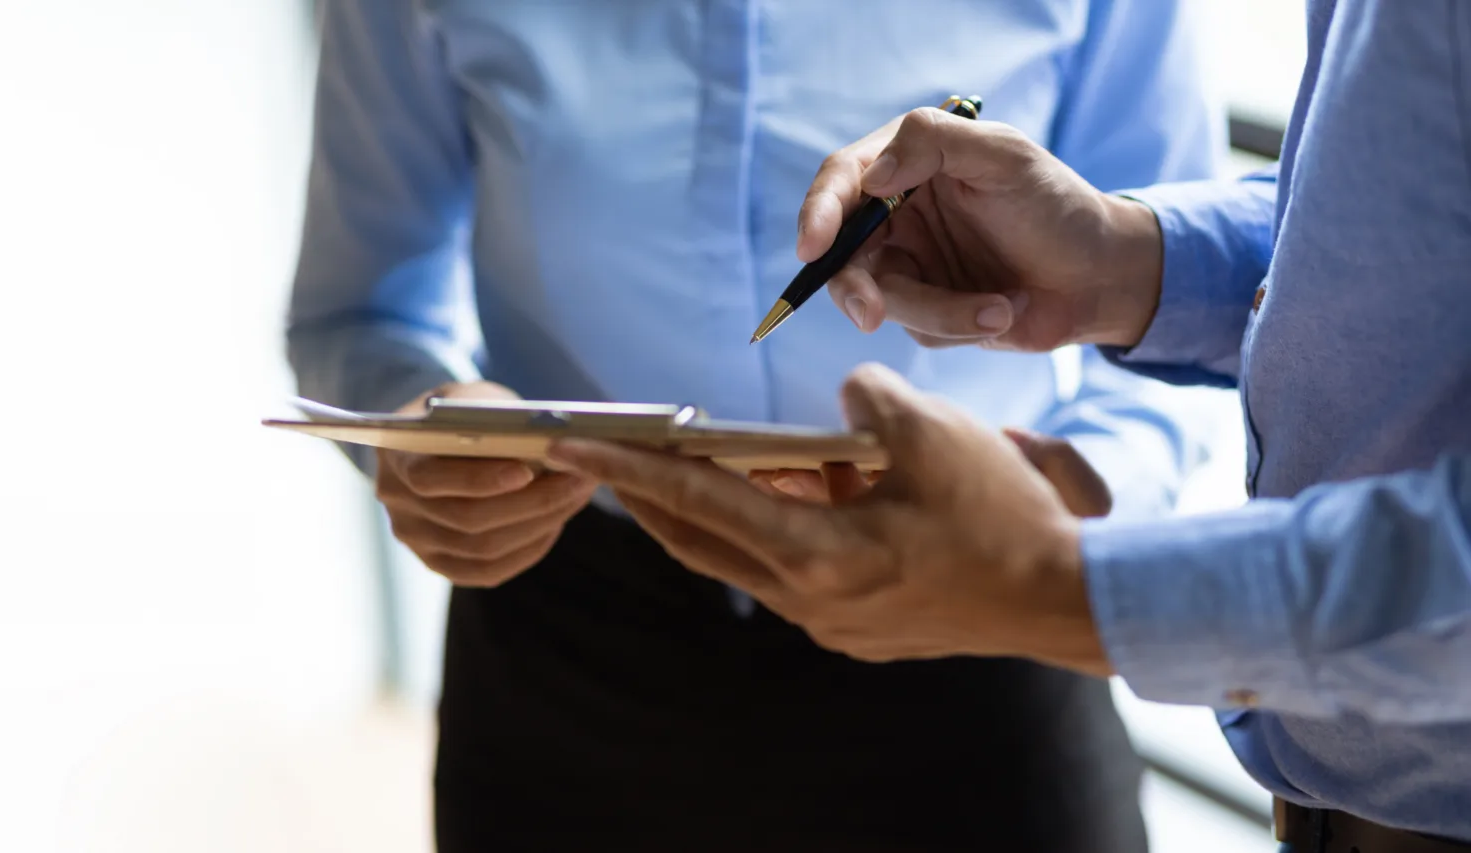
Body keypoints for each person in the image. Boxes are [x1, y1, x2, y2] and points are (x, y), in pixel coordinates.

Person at [288, 2, 1222, 850]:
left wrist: (1083, 494)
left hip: (980, 625)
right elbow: (359, 313)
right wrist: (424, 431)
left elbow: (1182, 294)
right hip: (564, 646)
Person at [544, 2, 1471, 851]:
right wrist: (1123, 261)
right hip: (577, 648)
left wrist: (1061, 574)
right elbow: (1393, 244)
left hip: (993, 661)